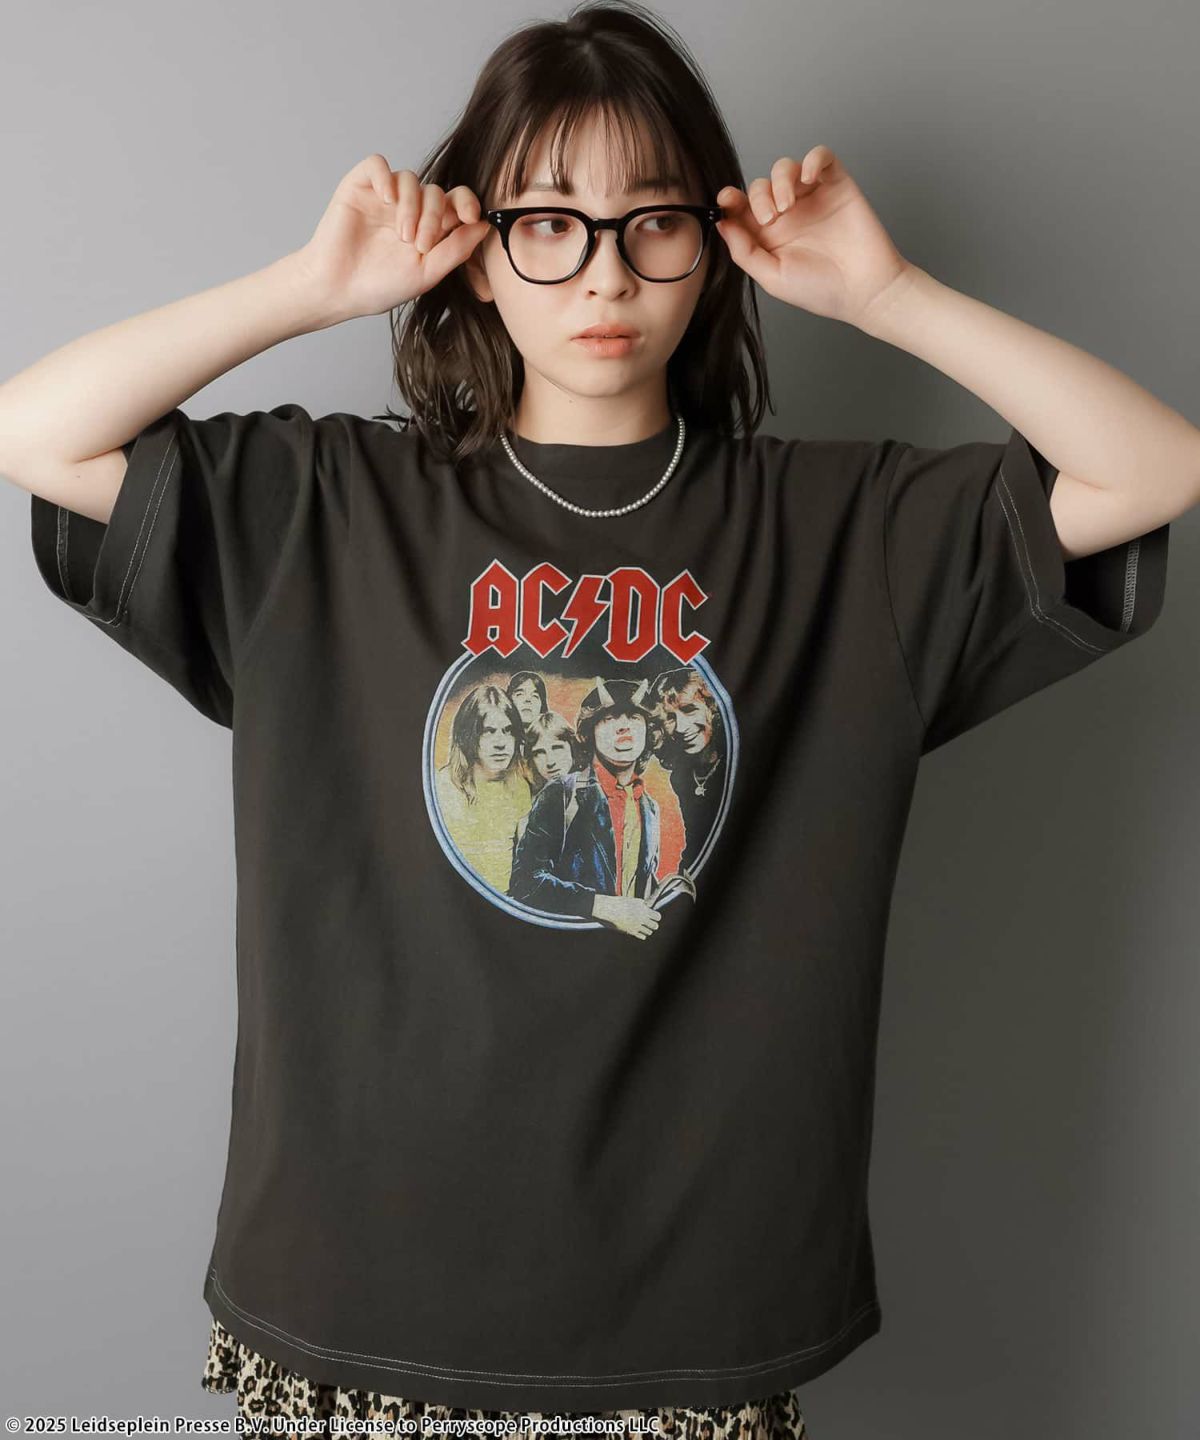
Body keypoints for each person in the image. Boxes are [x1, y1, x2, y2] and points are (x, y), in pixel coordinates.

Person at [1, 0, 1191, 1435]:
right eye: (549, 224)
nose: (605, 273)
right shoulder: (327, 508)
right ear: (477, 250)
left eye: (654, 222)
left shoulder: (841, 531)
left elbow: (1152, 469)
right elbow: (35, 431)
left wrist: (890, 297)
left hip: (688, 1318)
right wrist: (310, 289)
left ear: (713, 244)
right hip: (356, 1289)